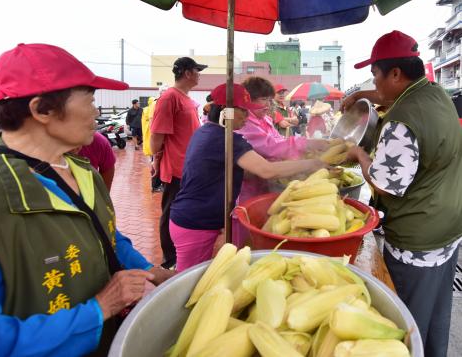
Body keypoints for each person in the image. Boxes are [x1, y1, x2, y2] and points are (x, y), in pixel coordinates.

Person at [0, 43, 174, 357]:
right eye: (89, 100)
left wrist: (154, 272)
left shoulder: (82, 170)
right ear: (41, 110)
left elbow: (107, 237)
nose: (96, 112)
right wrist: (99, 309)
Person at [343, 30, 462, 357]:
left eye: (375, 75)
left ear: (395, 73)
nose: (374, 82)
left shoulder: (401, 122)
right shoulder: (435, 93)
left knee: (408, 323)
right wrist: (361, 96)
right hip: (449, 226)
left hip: (417, 238)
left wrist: (359, 155)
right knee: (438, 316)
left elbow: (385, 184)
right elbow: (392, 95)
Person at [169, 83, 326, 271]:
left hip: (190, 218)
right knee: (187, 282)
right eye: (243, 110)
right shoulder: (227, 139)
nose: (247, 116)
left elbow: (240, 169)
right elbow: (267, 170)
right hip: (196, 223)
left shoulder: (206, 131)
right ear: (226, 112)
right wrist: (313, 164)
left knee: (196, 274)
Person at [234, 76, 330, 246]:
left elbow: (280, 141)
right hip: (247, 189)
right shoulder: (246, 124)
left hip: (265, 185)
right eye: (264, 99)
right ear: (248, 101)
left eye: (269, 100)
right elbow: (272, 146)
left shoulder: (264, 120)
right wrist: (307, 145)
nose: (268, 105)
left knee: (264, 227)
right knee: (248, 233)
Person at [150, 57, 207, 269]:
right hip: (175, 167)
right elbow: (157, 136)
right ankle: (170, 259)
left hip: (189, 166)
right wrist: (156, 159)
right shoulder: (169, 98)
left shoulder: (186, 98)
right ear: (187, 73)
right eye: (197, 70)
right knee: (170, 211)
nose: (199, 74)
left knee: (182, 210)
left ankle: (182, 252)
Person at [141, 96, 162, 192]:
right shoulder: (152, 109)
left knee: (154, 161)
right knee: (155, 162)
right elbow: (152, 125)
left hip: (150, 138)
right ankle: (155, 186)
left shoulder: (146, 109)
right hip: (153, 138)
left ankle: (156, 185)